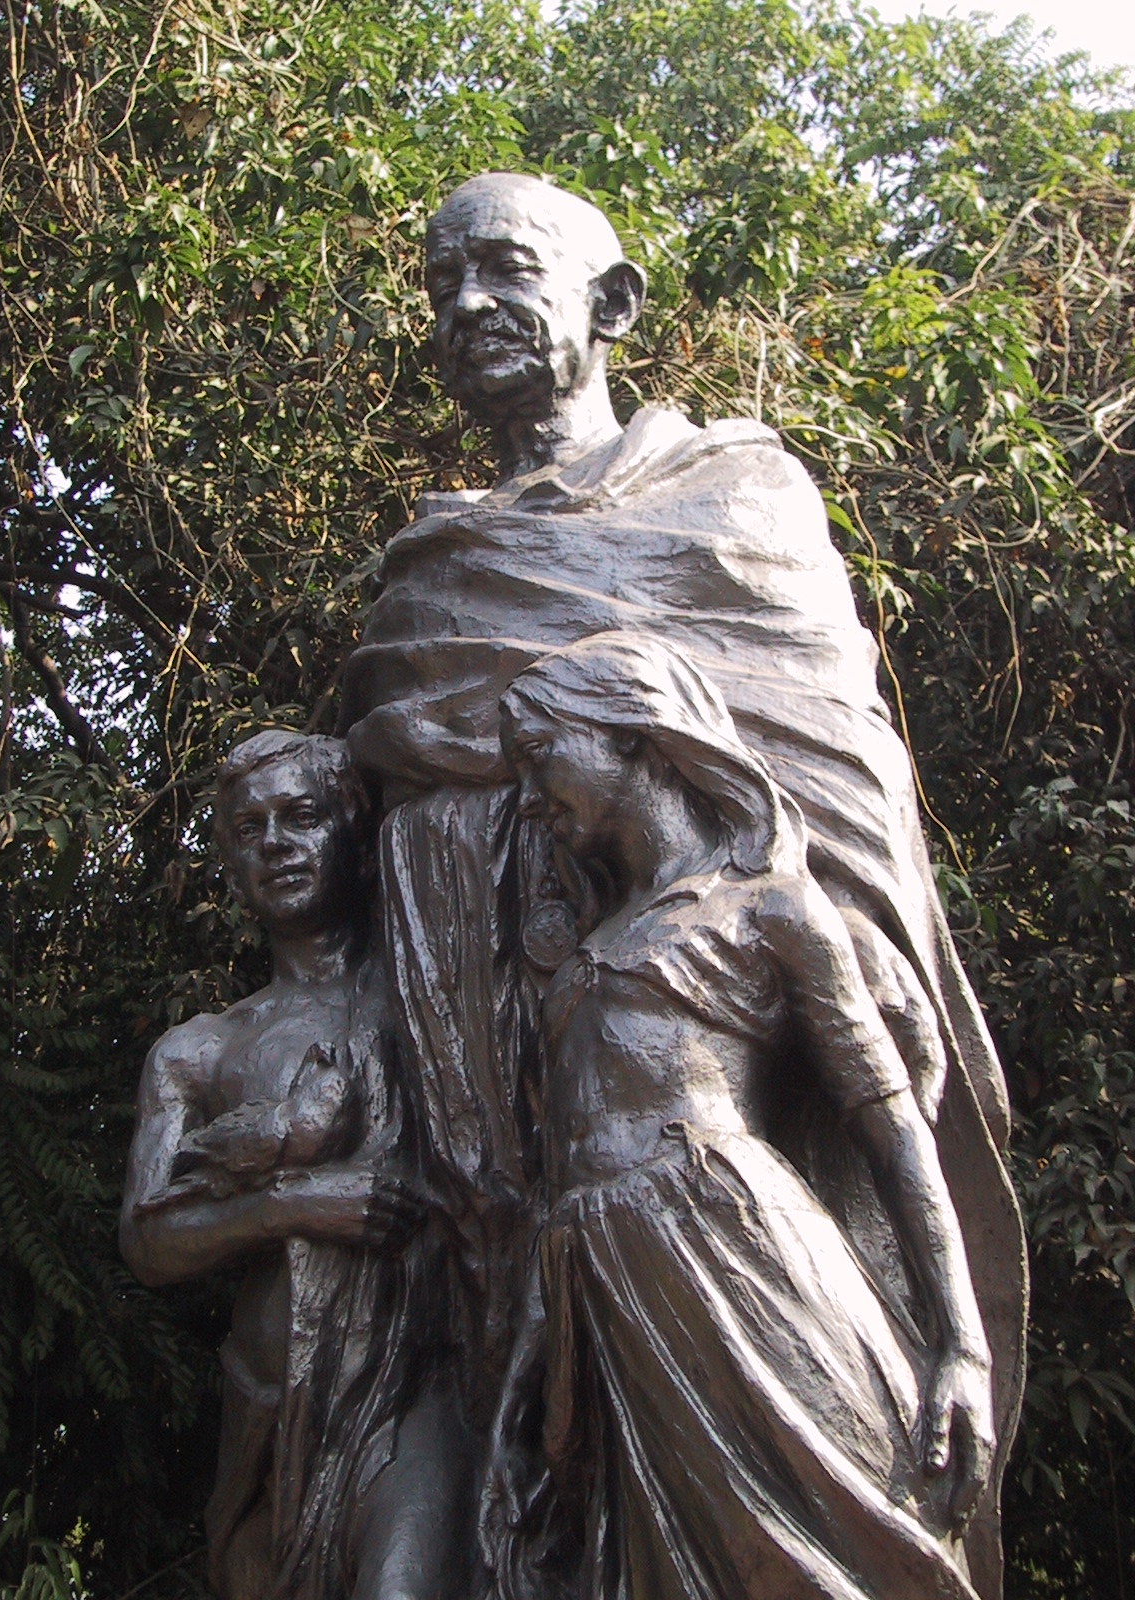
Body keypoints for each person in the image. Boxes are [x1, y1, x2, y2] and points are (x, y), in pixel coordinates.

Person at [337, 172, 1024, 1583]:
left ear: (613, 303)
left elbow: (836, 770)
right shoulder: (435, 563)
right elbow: (395, 783)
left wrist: (835, 937)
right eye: (443, 283)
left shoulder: (740, 499)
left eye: (506, 269)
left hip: (731, 1118)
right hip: (506, 1090)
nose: (468, 305)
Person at [481, 633, 997, 1600]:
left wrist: (962, 1346)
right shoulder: (593, 938)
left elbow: (893, 1133)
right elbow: (564, 1171)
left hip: (731, 1251)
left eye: (541, 756)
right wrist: (530, 1360)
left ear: (633, 735)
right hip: (604, 1286)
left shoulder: (772, 908)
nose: (529, 794)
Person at [120, 731, 471, 1600]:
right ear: (230, 867)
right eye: (250, 829)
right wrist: (295, 1207)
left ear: (353, 830)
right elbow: (148, 1238)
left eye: (301, 816)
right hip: (275, 1415)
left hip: (420, 1382)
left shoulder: (433, 991)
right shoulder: (198, 1052)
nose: (275, 843)